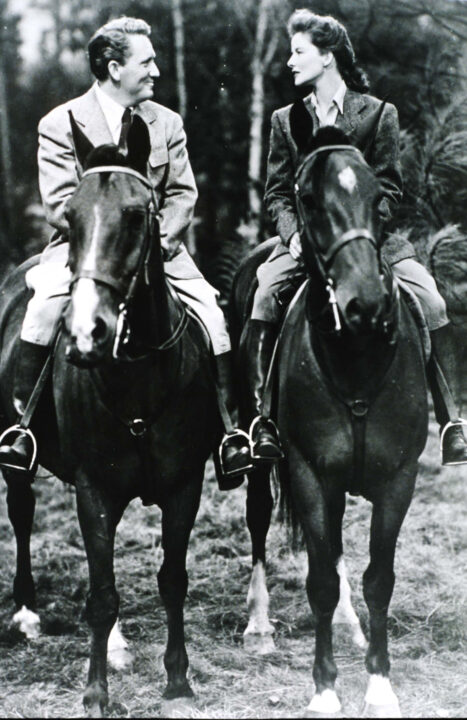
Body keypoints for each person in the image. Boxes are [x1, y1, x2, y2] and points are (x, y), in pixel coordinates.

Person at [0, 16, 250, 483]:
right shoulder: (60, 123)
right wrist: (105, 240)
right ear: (114, 68)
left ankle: (229, 434)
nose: (156, 70)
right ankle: (23, 429)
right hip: (84, 252)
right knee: (40, 313)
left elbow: (181, 194)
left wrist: (157, 242)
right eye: (147, 61)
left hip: (159, 251)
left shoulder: (167, 123)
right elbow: (59, 204)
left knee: (214, 320)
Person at [244, 8, 467, 466]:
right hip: (306, 243)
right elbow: (277, 194)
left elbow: (388, 187)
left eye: (298, 52)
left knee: (433, 302)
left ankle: (451, 421)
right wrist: (292, 239)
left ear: (327, 57)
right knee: (264, 293)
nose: (290, 61)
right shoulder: (286, 120)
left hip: (369, 240)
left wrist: (361, 233)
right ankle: (261, 419)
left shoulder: (379, 113)